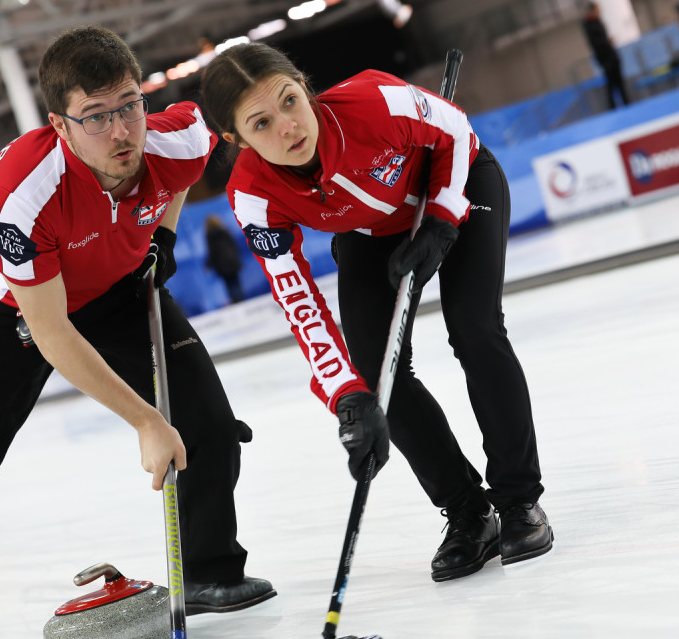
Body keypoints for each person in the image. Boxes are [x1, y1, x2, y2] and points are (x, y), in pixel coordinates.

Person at [0, 26, 274, 639]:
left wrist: (161, 242)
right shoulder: (23, 190)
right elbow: (51, 330)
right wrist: (146, 421)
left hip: (120, 291)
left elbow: (178, 178)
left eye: (128, 106)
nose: (120, 132)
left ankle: (209, 574)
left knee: (210, 424)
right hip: (24, 312)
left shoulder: (180, 136)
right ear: (61, 126)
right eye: (95, 117)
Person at [200, 43, 553, 583]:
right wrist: (344, 395)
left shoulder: (375, 100)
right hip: (369, 232)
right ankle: (467, 512)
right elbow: (297, 299)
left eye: (291, 101)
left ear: (304, 86)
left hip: (457, 185)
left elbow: (455, 131)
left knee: (475, 330)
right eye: (262, 122)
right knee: (373, 376)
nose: (289, 127)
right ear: (236, 139)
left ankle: (518, 500)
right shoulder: (251, 195)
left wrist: (441, 216)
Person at [582, 1, 629, 109]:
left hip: (611, 56)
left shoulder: (598, 22)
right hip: (606, 58)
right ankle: (612, 107)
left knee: (619, 83)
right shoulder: (589, 25)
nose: (600, 10)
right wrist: (608, 43)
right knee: (611, 84)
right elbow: (597, 43)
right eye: (598, 9)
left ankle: (626, 104)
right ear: (593, 10)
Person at [204, 214, 245, 303]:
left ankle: (235, 300)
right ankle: (241, 298)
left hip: (221, 264)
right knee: (236, 280)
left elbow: (212, 252)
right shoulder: (225, 231)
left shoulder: (210, 236)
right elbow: (234, 246)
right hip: (232, 260)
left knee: (228, 283)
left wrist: (208, 264)